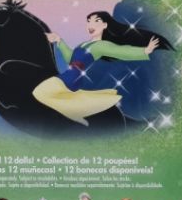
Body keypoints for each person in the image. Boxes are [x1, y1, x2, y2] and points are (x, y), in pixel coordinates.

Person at [33, 11, 172, 126]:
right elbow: (70, 59)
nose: (91, 25)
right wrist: (59, 41)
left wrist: (144, 51)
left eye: (96, 21)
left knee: (40, 91)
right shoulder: (84, 44)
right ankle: (73, 113)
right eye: (89, 21)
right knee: (41, 93)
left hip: (71, 78)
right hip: (69, 76)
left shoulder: (101, 45)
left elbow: (120, 51)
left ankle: (73, 112)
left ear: (105, 25)